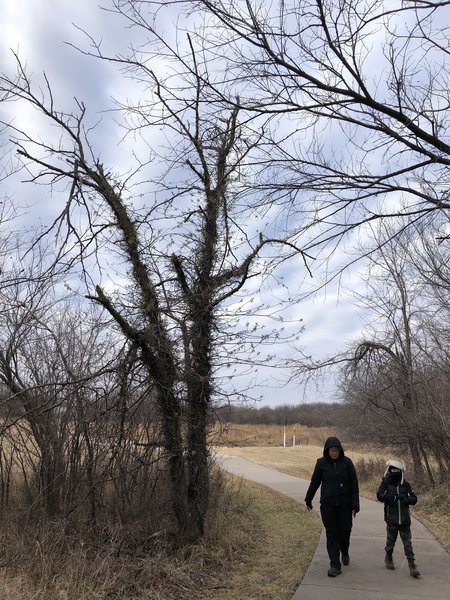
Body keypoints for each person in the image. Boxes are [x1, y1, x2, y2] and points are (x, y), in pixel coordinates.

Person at [304, 436, 360, 577]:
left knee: (345, 531)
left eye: (336, 450)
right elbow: (314, 482)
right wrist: (308, 498)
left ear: (340, 450)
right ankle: (335, 564)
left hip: (345, 505)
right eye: (331, 450)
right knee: (332, 533)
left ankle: (345, 551)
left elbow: (354, 485)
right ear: (327, 451)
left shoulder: (347, 463)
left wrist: (355, 504)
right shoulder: (321, 464)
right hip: (328, 505)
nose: (334, 453)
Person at [376, 459, 420, 578]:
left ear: (401, 471)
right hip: (392, 519)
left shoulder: (406, 485)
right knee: (391, 542)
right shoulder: (386, 483)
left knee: (407, 543)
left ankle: (412, 565)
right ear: (389, 470)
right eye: (393, 470)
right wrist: (392, 498)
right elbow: (379, 495)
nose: (395, 472)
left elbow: (414, 499)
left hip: (405, 520)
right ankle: (388, 557)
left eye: (397, 470)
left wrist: (405, 498)